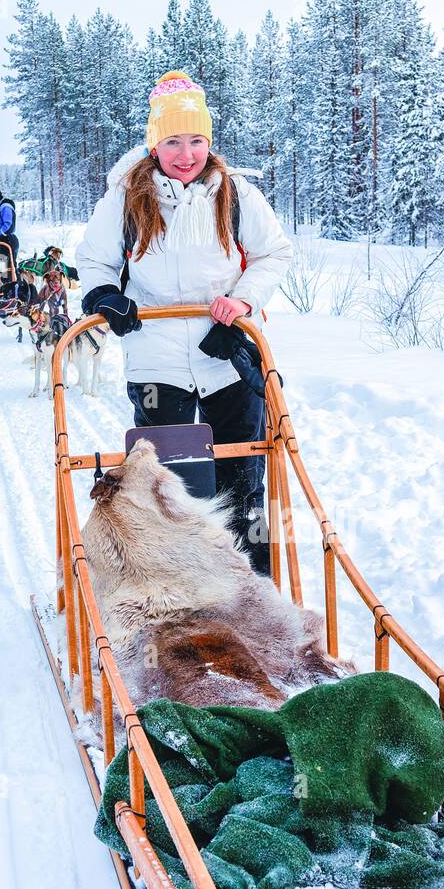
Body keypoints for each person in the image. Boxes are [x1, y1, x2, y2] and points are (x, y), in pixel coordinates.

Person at [77, 70, 292, 574]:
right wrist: (107, 294)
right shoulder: (126, 197)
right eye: (173, 141)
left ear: (209, 142)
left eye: (196, 140)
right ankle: (183, 586)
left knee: (244, 476)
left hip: (229, 354)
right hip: (156, 358)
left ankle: (254, 581)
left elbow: (274, 254)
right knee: (170, 481)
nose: (186, 153)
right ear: (155, 144)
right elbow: (94, 260)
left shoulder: (235, 195)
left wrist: (240, 304)